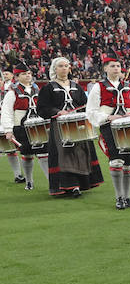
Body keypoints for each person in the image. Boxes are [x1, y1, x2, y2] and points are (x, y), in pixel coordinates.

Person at [36, 56, 104, 198]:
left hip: (78, 125)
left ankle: (81, 184)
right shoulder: (48, 88)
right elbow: (42, 109)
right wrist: (57, 112)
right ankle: (69, 186)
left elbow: (85, 104)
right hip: (59, 127)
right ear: (55, 69)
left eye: (66, 66)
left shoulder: (76, 86)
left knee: (80, 153)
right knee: (64, 155)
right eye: (61, 66)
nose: (64, 68)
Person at [87, 57, 130, 209]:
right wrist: (108, 117)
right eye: (112, 66)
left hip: (128, 128)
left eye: (118, 66)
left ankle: (127, 197)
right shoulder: (98, 87)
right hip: (109, 127)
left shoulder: (129, 85)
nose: (116, 69)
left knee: (128, 164)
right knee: (116, 161)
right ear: (105, 69)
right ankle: (119, 197)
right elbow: (91, 111)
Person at [1, 64, 48, 189]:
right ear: (16, 77)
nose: (28, 76)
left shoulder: (38, 90)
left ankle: (52, 183)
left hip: (38, 127)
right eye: (24, 74)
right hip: (21, 128)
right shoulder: (12, 93)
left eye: (29, 73)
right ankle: (29, 181)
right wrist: (8, 130)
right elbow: (6, 112)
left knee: (44, 153)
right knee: (27, 154)